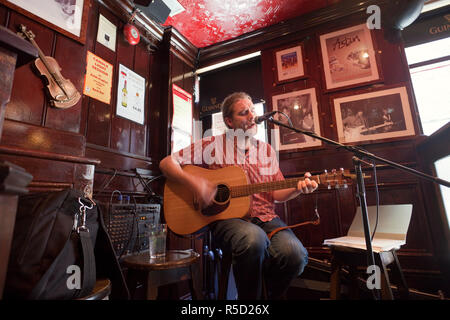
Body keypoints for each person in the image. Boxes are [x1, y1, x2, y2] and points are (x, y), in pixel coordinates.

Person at [159, 92, 318, 299]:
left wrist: (298, 188)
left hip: (266, 218)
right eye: (244, 113)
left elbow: (276, 194)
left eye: (252, 110)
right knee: (254, 239)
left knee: (295, 255)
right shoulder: (212, 145)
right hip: (228, 220)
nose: (252, 116)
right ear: (229, 121)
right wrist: (195, 184)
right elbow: (166, 163)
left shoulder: (267, 151)